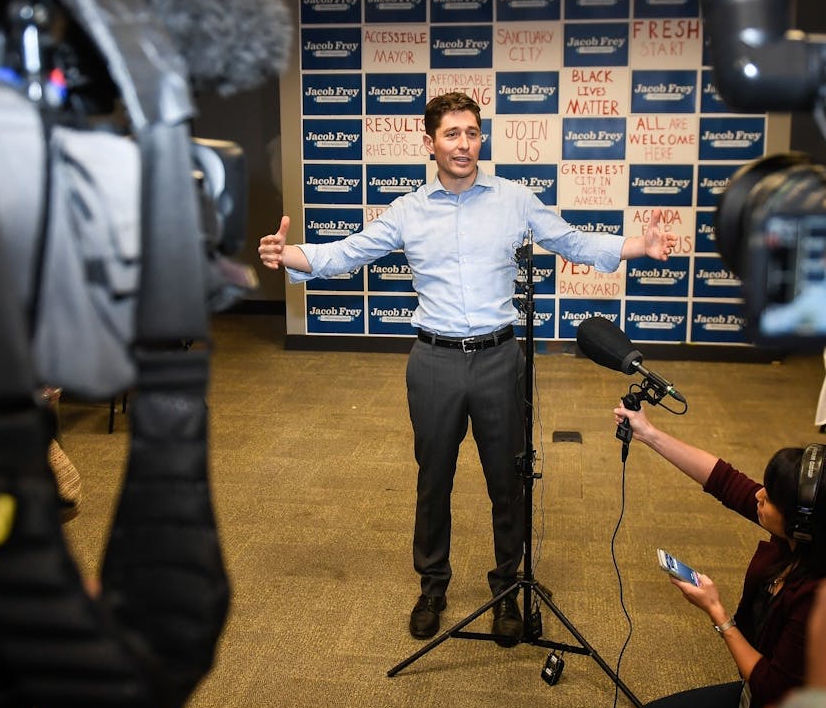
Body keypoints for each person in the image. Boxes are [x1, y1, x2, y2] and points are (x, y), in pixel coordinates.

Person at [258, 91, 675, 645]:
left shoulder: (515, 200)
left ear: (481, 138)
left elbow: (571, 241)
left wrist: (636, 246)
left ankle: (508, 589)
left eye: (471, 133)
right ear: (429, 142)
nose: (463, 144)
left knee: (508, 480)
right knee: (434, 480)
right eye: (451, 134)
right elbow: (348, 252)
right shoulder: (408, 210)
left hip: (501, 359)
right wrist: (291, 256)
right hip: (433, 361)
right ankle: (432, 585)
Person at [611, 400, 826, 708]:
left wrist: (717, 612)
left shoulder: (820, 596)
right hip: (763, 693)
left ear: (803, 525)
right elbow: (724, 480)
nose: (759, 495)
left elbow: (772, 688)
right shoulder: (801, 539)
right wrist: (649, 434)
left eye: (770, 498)